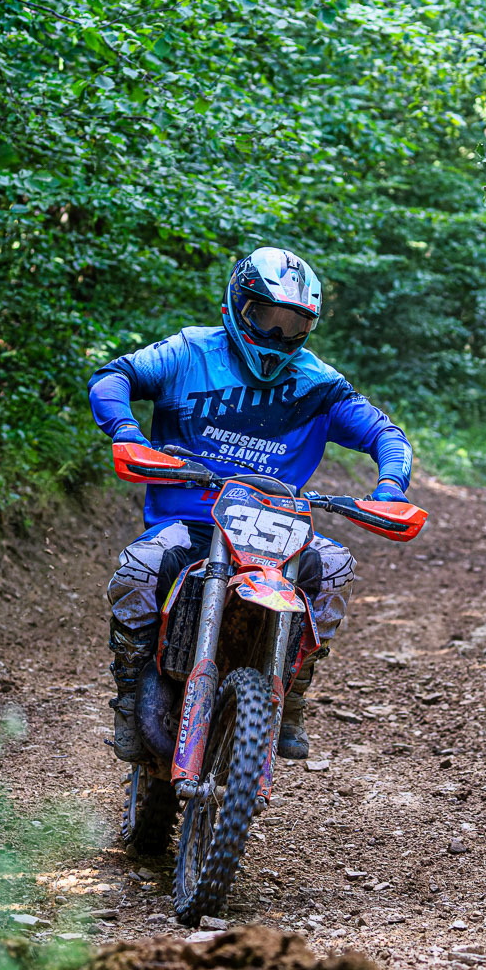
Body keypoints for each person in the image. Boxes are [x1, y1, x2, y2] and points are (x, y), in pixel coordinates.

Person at [88, 247, 412, 763]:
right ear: (239, 305)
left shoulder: (320, 385)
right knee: (140, 568)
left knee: (333, 568)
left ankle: (293, 690)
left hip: (275, 530)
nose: (279, 335)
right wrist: (127, 432)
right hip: (191, 521)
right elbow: (113, 378)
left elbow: (385, 434)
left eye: (294, 324)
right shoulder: (189, 354)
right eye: (267, 318)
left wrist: (391, 486)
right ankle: (130, 695)